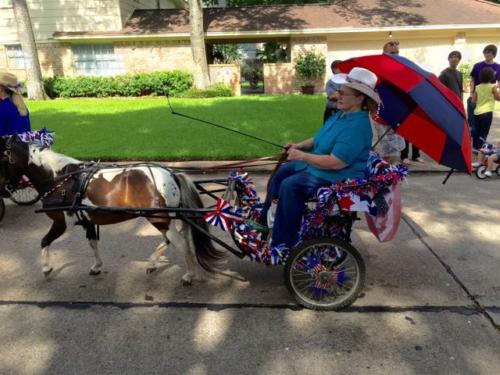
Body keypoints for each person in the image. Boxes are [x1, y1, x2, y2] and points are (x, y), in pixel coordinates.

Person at [262, 67, 379, 249]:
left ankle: (284, 241)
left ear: (360, 98)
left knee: (290, 186)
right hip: (318, 168)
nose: (337, 95)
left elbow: (336, 162)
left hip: (338, 176)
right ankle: (264, 223)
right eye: (338, 90)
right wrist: (298, 145)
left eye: (343, 93)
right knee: (282, 172)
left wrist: (302, 156)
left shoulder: (358, 126)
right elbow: (319, 139)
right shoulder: (342, 115)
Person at [468, 44, 500, 148]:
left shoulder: (498, 67)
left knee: (477, 126)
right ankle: (479, 146)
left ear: (494, 54)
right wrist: (471, 93)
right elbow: (472, 80)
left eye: (489, 52)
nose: (486, 54)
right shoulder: (477, 65)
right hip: (480, 101)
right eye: (485, 52)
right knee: (477, 126)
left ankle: (477, 146)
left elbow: (499, 82)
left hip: (479, 99)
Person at [471, 67, 500, 150]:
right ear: (491, 77)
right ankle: (481, 148)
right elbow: (498, 98)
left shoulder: (477, 87)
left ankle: (475, 147)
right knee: (484, 131)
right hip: (487, 113)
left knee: (477, 130)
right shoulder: (492, 87)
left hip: (477, 112)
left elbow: (473, 101)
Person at [0, 72, 31, 137]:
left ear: (1, 88)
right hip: (22, 146)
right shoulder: (20, 105)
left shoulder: (3, 108)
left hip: (8, 145)